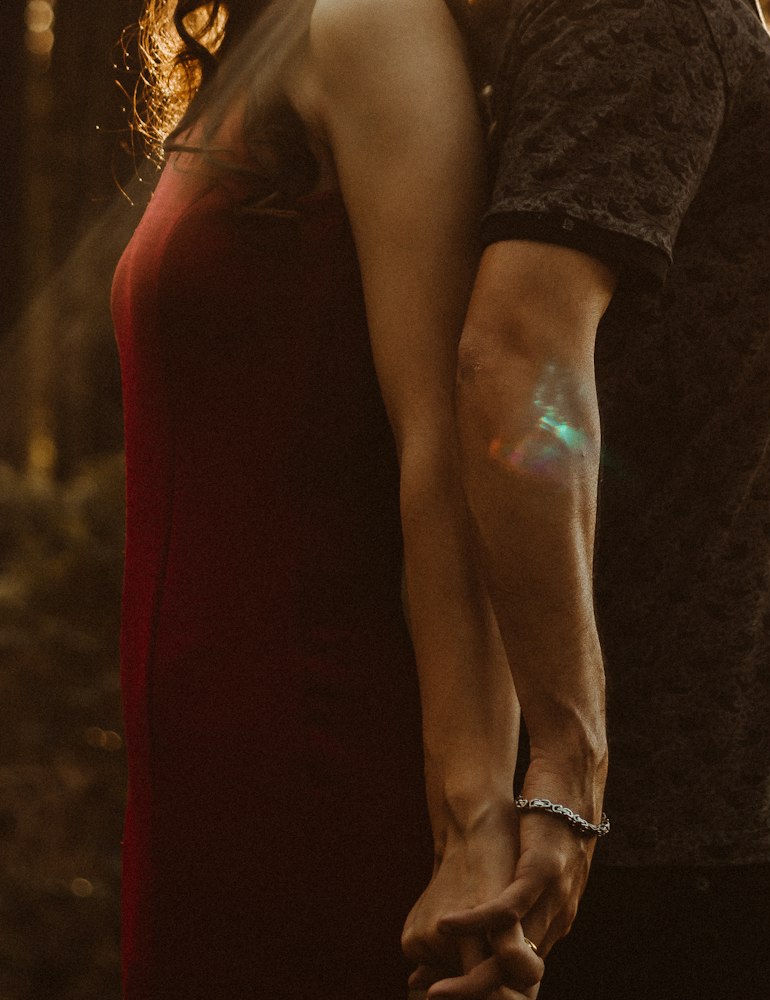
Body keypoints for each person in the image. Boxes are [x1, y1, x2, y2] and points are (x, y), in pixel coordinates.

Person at [405, 0, 770, 998]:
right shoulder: (651, 11)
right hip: (642, 848)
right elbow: (515, 354)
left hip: (673, 823)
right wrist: (568, 769)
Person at [113, 0, 532, 996]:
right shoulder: (257, 48)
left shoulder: (373, 21)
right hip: (199, 795)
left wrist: (475, 825)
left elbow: (452, 436)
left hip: (320, 768)